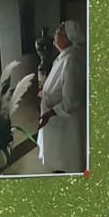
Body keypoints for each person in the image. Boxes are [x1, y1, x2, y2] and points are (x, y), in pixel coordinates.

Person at [36, 18, 87, 174]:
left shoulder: (72, 60)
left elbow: (71, 101)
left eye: (59, 31)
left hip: (64, 123)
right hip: (56, 122)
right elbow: (59, 84)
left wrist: (49, 113)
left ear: (68, 38)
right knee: (58, 158)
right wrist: (45, 92)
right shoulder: (64, 56)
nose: (55, 33)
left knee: (65, 160)